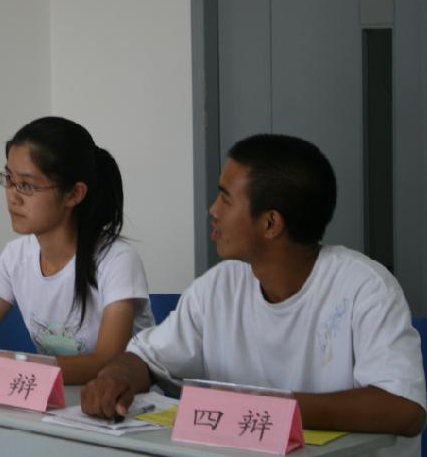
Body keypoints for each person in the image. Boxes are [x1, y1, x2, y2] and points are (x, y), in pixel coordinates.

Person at [81, 134, 426, 440]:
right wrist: (116, 377)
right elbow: (145, 358)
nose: (212, 210)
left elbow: (404, 409)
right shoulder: (219, 286)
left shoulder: (365, 288)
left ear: (271, 223)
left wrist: (262, 409)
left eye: (225, 199)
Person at [0, 117, 154, 384]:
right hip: (58, 400)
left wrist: (10, 365)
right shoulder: (15, 256)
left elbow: (107, 362)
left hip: (125, 403)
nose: (12, 196)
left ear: (74, 194)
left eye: (27, 185)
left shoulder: (117, 261)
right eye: (9, 179)